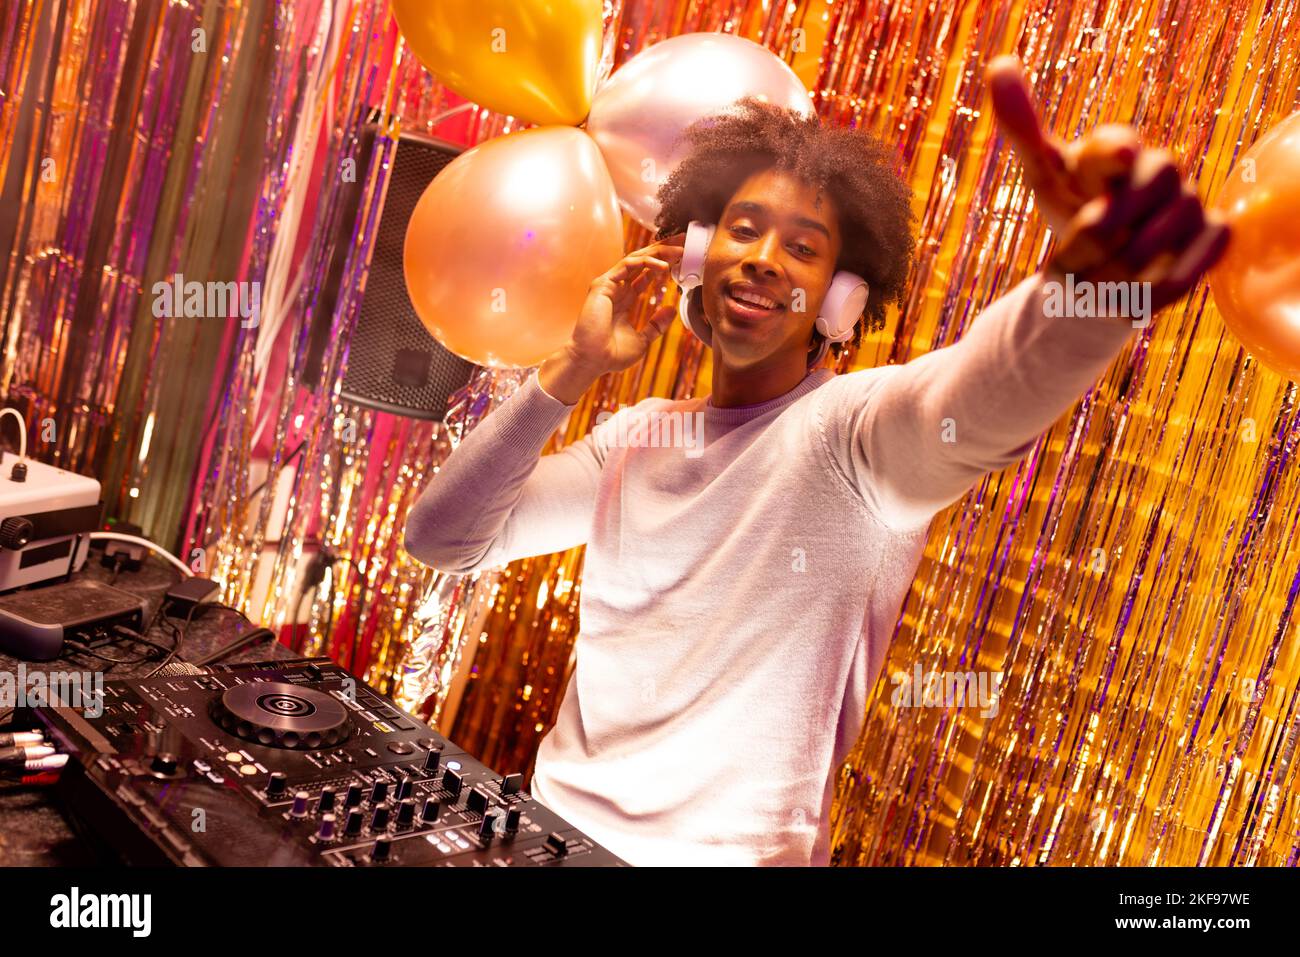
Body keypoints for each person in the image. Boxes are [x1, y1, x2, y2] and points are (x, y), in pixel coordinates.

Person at [402, 57, 1229, 866]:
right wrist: (571, 368)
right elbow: (443, 539)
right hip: (558, 834)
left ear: (842, 298)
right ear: (695, 253)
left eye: (803, 247)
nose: (763, 257)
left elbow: (970, 409)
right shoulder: (637, 437)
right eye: (744, 228)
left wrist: (1085, 295)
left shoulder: (854, 437)